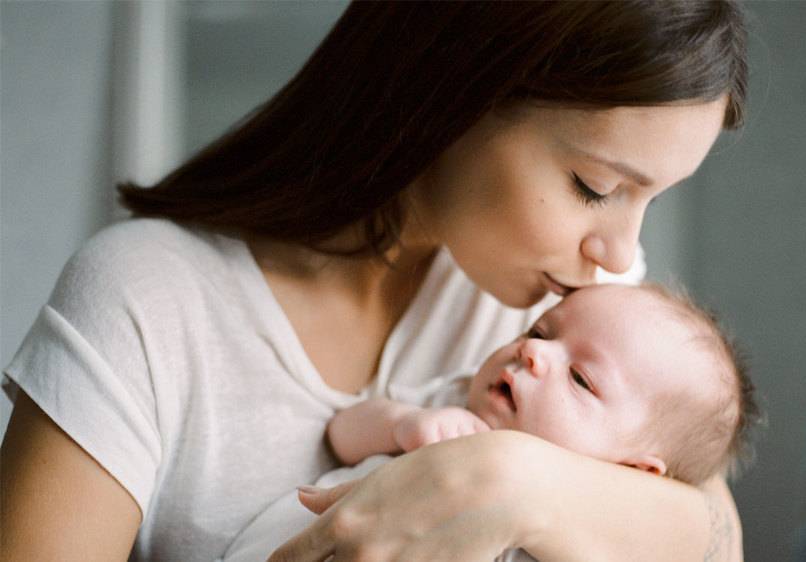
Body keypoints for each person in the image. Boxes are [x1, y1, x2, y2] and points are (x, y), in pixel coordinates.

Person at [0, 2, 749, 561]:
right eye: (594, 185)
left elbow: (715, 533)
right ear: (456, 95)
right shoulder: (148, 299)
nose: (621, 254)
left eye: (652, 197)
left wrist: (514, 481)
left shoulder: (581, 310)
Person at [221, 283, 759, 562]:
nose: (533, 354)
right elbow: (342, 432)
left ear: (632, 471)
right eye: (543, 332)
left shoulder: (584, 540)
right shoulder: (455, 400)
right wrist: (401, 424)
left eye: (581, 380)